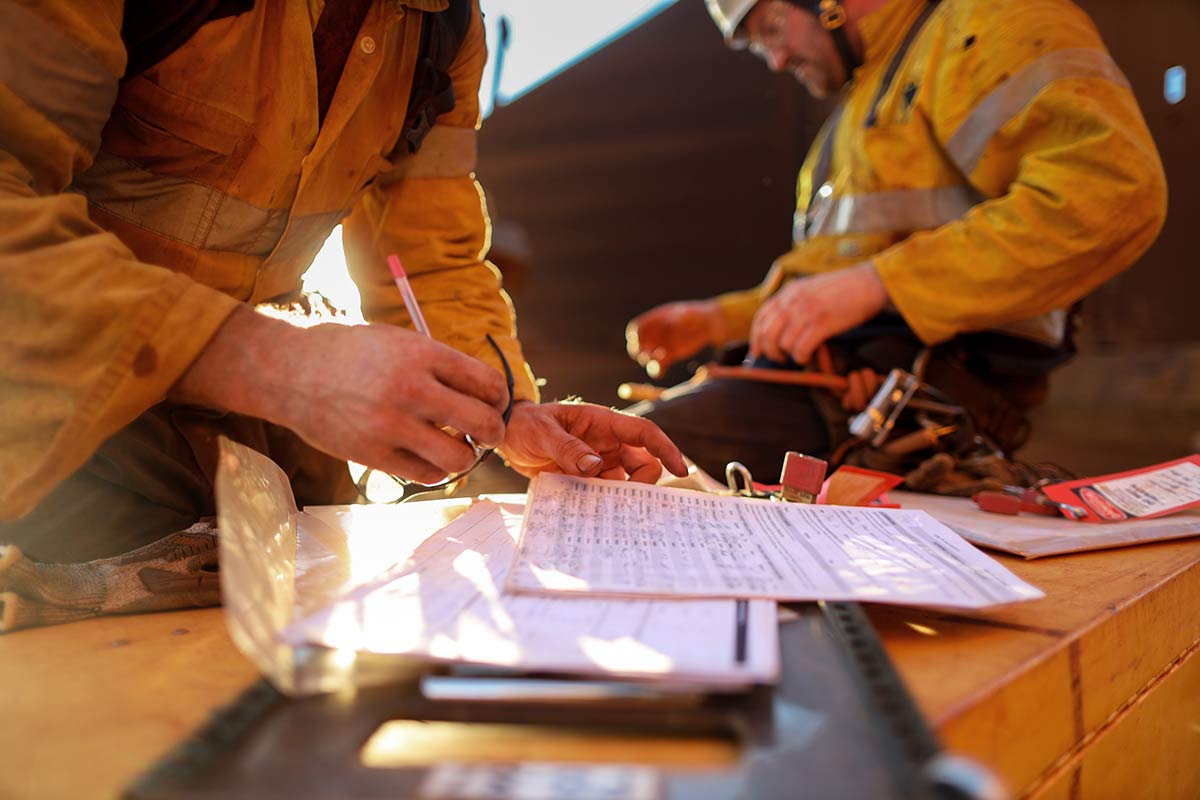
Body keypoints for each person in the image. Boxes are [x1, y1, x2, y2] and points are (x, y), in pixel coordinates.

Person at [0, 0, 686, 629]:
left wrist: (504, 415)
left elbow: (433, 262)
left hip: (255, 436)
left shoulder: (445, 30)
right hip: (53, 406)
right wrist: (276, 363)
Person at [625, 0, 1166, 483]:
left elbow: (1113, 193)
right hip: (828, 387)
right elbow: (829, 280)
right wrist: (717, 320)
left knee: (629, 456)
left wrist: (881, 284)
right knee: (623, 444)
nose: (777, 60)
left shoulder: (990, 24)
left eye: (771, 27)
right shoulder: (853, 115)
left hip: (917, 399)